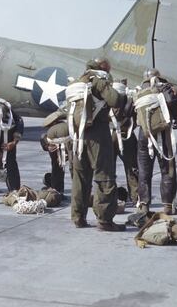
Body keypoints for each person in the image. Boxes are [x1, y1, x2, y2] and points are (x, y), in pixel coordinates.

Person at [68, 58, 128, 230]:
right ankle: (104, 220)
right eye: (108, 67)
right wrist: (123, 96)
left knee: (80, 177)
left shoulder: (79, 82)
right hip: (98, 133)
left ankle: (78, 217)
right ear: (101, 68)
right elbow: (115, 100)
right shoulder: (99, 81)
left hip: (79, 134)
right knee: (104, 175)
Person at [135, 68, 177, 215]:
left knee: (144, 171)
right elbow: (171, 102)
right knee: (167, 169)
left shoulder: (138, 90)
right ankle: (167, 205)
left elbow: (129, 110)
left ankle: (144, 205)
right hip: (163, 133)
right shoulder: (164, 87)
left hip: (144, 134)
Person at [109, 80, 138, 203]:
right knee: (132, 168)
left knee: (108, 169)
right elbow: (136, 122)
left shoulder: (108, 99)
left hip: (109, 135)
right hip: (127, 134)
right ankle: (136, 197)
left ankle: (109, 197)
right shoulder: (129, 100)